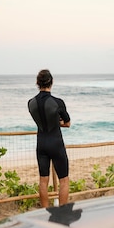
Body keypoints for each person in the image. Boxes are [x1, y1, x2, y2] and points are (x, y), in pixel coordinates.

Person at [28, 69, 71, 207]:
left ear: (37, 83)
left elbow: (40, 120)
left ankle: (45, 211)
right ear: (51, 82)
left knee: (43, 180)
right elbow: (67, 123)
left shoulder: (31, 103)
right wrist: (57, 122)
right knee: (63, 179)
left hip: (41, 143)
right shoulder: (57, 102)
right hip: (56, 142)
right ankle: (63, 212)